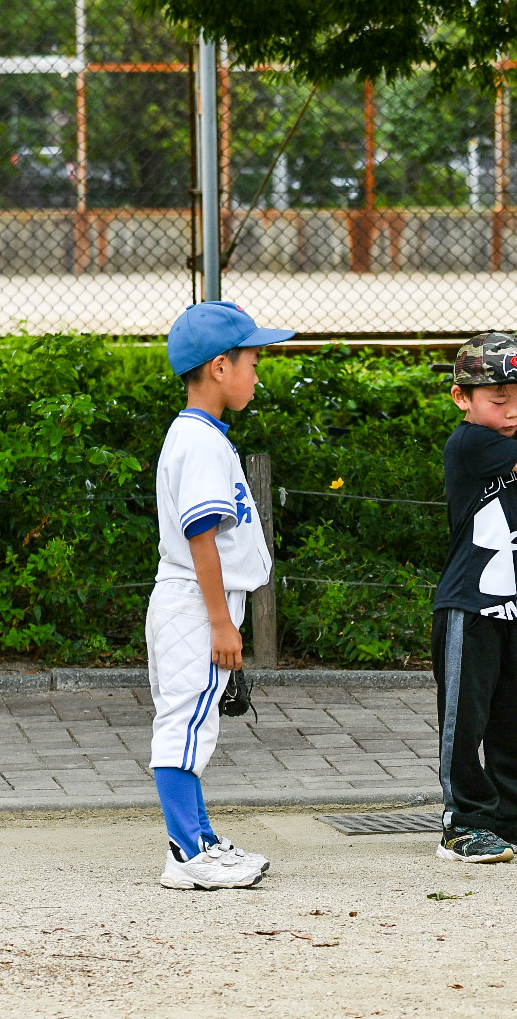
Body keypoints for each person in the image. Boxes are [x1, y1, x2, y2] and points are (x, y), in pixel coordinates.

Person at [150, 301, 293, 889]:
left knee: (193, 719)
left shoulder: (200, 435)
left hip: (190, 599)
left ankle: (199, 838)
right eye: (252, 360)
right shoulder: (201, 442)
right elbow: (200, 536)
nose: (257, 372)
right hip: (195, 601)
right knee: (185, 724)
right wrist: (221, 622)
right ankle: (188, 855)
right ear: (218, 367)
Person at [429, 332, 517, 863]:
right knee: (466, 720)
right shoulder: (473, 442)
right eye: (498, 399)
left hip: (512, 606)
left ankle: (516, 817)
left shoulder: (502, 441)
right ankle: (463, 821)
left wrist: (512, 415)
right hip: (470, 605)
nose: (513, 411)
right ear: (461, 397)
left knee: (514, 717)